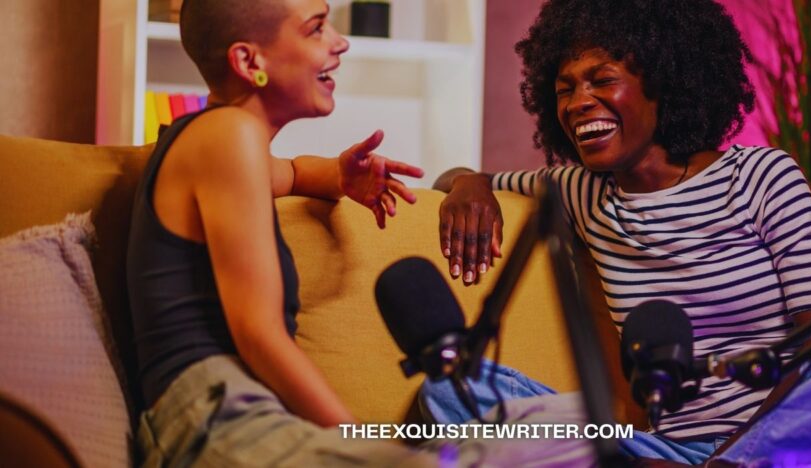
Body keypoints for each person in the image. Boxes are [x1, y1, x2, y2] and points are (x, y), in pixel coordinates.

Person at [425, 0, 811, 465]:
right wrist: (470, 184)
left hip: (773, 441)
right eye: (565, 89)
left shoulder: (761, 176)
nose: (578, 102)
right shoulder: (579, 190)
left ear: (664, 80)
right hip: (661, 451)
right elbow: (455, 177)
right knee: (450, 389)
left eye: (601, 80)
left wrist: (736, 454)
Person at [126, 0, 597, 465]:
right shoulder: (228, 135)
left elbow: (291, 172)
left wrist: (340, 176)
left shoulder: (214, 140)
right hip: (216, 418)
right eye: (316, 28)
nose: (340, 42)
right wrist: (365, 445)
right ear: (250, 62)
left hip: (234, 414)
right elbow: (258, 334)